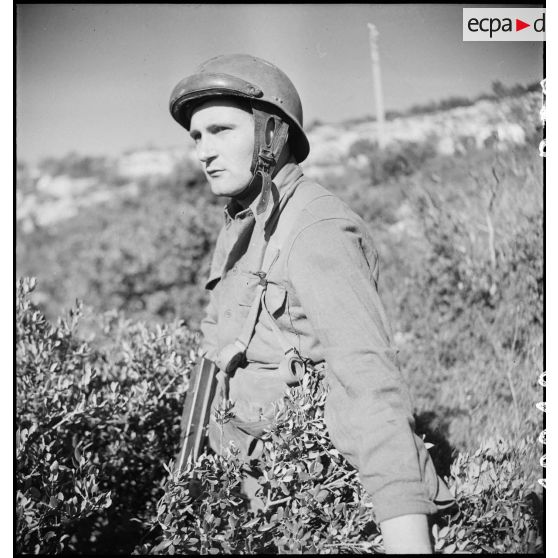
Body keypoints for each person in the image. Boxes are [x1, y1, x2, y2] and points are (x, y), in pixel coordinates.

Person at [169, 53, 454, 554]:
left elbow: (369, 383)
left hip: (305, 505)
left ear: (271, 134)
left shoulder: (316, 229)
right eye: (197, 136)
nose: (203, 151)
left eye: (220, 130)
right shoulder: (246, 220)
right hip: (241, 490)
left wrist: (406, 535)